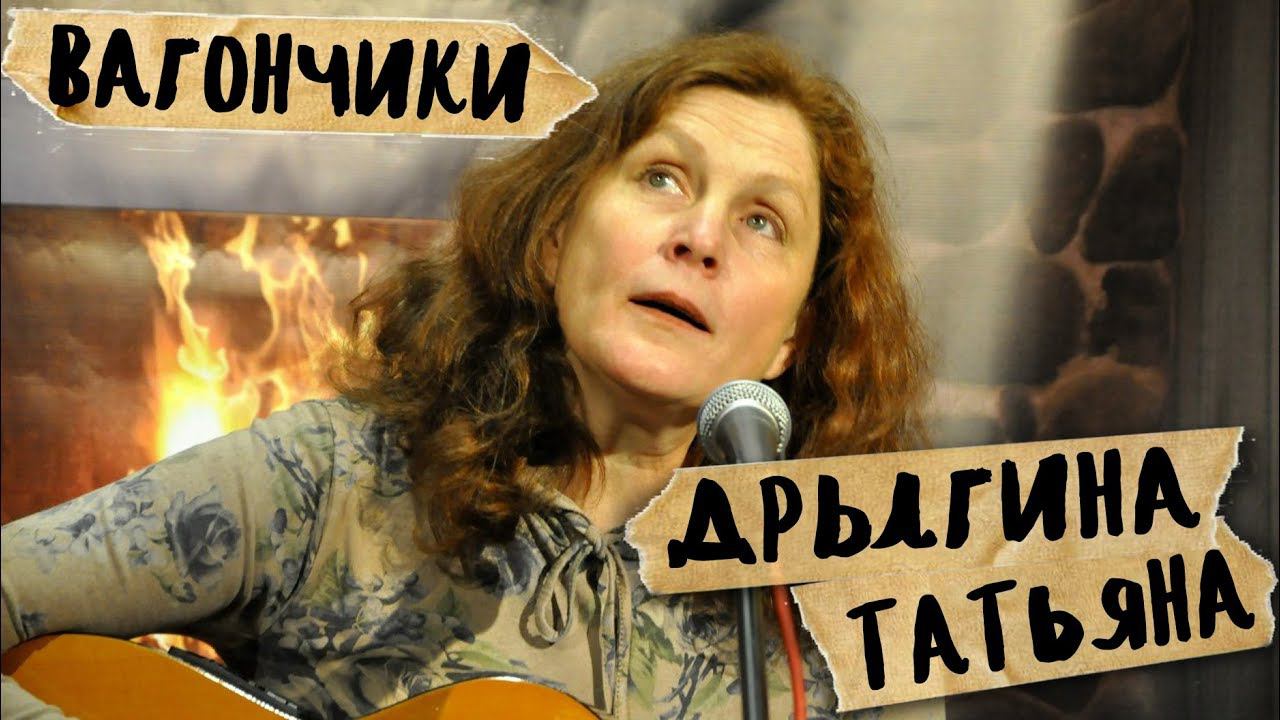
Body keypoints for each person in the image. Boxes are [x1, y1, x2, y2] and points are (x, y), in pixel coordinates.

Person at [1, 32, 929, 719]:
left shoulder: (839, 631)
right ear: (556, 239)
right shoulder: (334, 479)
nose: (700, 236)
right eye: (661, 178)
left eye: (764, 221)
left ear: (793, 339)